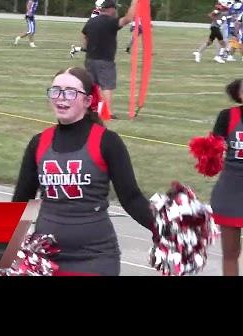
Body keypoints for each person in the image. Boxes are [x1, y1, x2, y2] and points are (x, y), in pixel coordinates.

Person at [12, 67, 155, 276]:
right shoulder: (39, 143)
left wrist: (165, 229)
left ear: (88, 101)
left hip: (95, 259)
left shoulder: (107, 142)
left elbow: (131, 198)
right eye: (56, 91)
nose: (61, 98)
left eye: (70, 92)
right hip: (46, 261)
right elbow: (22, 201)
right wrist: (7, 255)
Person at [79, 0, 142, 119]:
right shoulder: (111, 22)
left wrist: (86, 48)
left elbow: (85, 35)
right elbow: (128, 19)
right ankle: (107, 112)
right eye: (115, 9)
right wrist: (135, 0)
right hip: (105, 60)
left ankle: (90, 110)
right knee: (106, 86)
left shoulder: (92, 21)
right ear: (111, 9)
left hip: (90, 59)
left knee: (92, 86)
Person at [208, 78, 243, 276]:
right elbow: (211, 153)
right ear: (239, 94)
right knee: (230, 252)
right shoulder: (227, 116)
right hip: (230, 189)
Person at [193, 0, 229, 64]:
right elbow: (210, 15)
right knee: (222, 43)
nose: (228, 4)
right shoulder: (219, 8)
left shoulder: (225, 9)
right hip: (215, 27)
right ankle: (217, 56)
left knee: (209, 42)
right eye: (228, 2)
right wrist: (216, 19)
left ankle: (198, 52)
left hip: (216, 27)